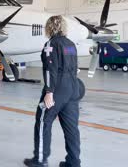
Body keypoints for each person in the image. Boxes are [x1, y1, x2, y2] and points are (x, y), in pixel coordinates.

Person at [24, 15, 82, 167]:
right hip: (72, 88)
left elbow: (51, 70)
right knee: (71, 127)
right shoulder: (71, 44)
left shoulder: (51, 44)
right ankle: (73, 162)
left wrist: (49, 92)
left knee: (43, 122)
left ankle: (40, 160)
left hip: (57, 89)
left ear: (49, 27)